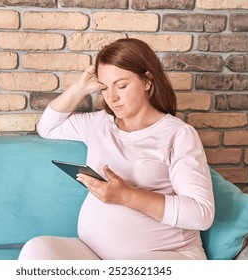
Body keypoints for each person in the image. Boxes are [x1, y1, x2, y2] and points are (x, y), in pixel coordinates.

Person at [18, 38, 215, 260]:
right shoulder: (99, 124)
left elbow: (201, 214)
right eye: (104, 88)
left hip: (168, 254)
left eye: (121, 86)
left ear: (147, 80)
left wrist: (127, 196)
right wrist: (80, 88)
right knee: (37, 250)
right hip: (95, 254)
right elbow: (48, 128)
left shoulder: (178, 134)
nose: (111, 97)